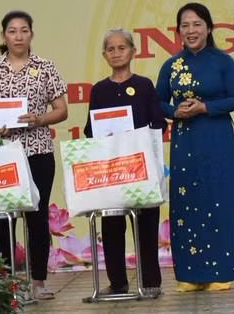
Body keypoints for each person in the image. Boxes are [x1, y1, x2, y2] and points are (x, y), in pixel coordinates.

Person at [0, 10, 68, 300]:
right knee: (3, 219)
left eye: (24, 30)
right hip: (2, 154)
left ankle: (38, 282)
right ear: (3, 36)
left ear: (31, 35)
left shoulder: (45, 66)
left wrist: (39, 119)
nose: (18, 36)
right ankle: (6, 282)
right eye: (12, 31)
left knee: (37, 218)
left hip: (37, 151)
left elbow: (62, 110)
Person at [156, 2, 234, 292]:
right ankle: (190, 274)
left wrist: (205, 107)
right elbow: (156, 102)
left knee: (219, 198)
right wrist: (174, 112)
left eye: (197, 24)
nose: (191, 30)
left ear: (209, 28)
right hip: (185, 140)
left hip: (216, 136)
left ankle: (222, 271)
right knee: (187, 201)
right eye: (185, 25)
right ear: (178, 31)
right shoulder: (171, 65)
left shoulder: (223, 62)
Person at [83, 29, 166, 296]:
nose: (117, 53)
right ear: (104, 55)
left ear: (133, 51)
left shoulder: (144, 85)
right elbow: (89, 130)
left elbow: (158, 123)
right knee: (112, 226)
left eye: (122, 47)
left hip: (141, 167)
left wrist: (135, 137)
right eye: (111, 49)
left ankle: (151, 281)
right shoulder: (99, 90)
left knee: (146, 224)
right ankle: (117, 282)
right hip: (110, 169)